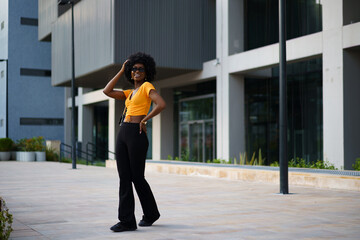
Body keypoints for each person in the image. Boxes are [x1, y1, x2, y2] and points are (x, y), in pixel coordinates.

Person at [103, 52, 166, 232]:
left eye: (140, 69)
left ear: (146, 73)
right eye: (134, 69)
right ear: (130, 73)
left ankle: (151, 214)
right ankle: (127, 221)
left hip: (136, 133)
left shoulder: (147, 87)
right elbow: (106, 91)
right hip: (123, 131)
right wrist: (122, 69)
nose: (137, 71)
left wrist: (145, 120)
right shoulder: (129, 93)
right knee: (124, 178)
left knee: (137, 177)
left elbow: (161, 104)